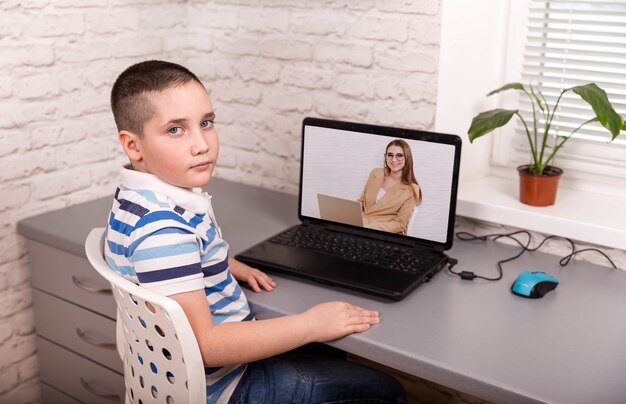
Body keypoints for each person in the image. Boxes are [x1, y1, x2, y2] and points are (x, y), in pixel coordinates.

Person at [105, 60, 406, 403]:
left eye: (206, 123)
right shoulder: (163, 233)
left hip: (173, 380)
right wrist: (310, 323)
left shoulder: (138, 198)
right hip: (227, 386)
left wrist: (222, 262)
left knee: (328, 353)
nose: (201, 144)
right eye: (175, 129)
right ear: (133, 146)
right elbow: (208, 347)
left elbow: (166, 262)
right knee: (386, 391)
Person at [359, 139, 422, 235]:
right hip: (360, 224)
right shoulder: (376, 173)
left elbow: (400, 224)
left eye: (399, 156)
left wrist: (369, 226)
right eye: (390, 155)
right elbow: (362, 201)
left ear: (407, 158)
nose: (394, 160)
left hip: (382, 232)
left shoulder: (412, 189)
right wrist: (351, 215)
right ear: (385, 157)